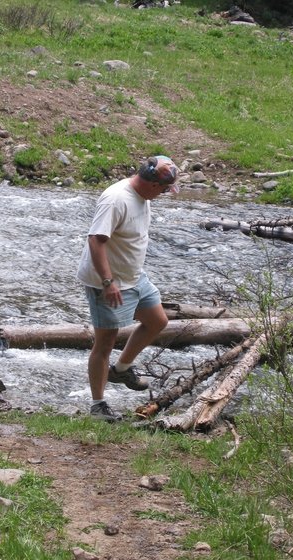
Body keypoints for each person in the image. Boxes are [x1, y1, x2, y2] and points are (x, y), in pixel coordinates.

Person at [77, 155, 179, 421]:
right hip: (107, 280)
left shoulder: (143, 196)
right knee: (105, 342)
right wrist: (108, 282)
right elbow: (95, 241)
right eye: (165, 189)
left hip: (133, 275)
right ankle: (98, 405)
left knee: (157, 321)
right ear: (153, 184)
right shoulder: (116, 199)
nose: (165, 194)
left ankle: (121, 370)